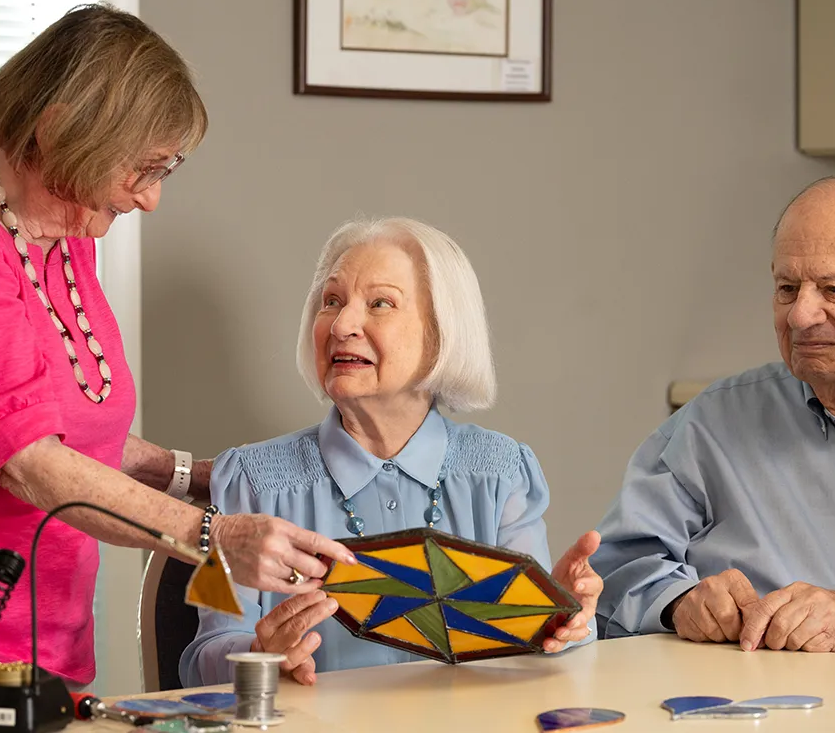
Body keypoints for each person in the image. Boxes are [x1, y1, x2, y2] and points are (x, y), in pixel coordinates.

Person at [0, 2, 354, 721]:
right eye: (143, 170)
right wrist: (213, 537)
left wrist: (205, 476)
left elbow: (66, 432)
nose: (151, 199)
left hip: (38, 627)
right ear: (61, 128)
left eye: (166, 171)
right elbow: (23, 457)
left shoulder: (64, 238)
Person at [588, 175, 835, 670]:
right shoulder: (712, 422)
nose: (800, 316)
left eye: (833, 289)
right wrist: (676, 604)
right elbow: (612, 572)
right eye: (786, 288)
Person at [180, 217, 602, 687]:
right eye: (332, 302)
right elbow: (204, 655)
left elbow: (538, 646)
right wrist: (259, 654)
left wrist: (565, 617)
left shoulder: (501, 473)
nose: (341, 325)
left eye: (380, 303)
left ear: (441, 334)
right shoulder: (249, 480)